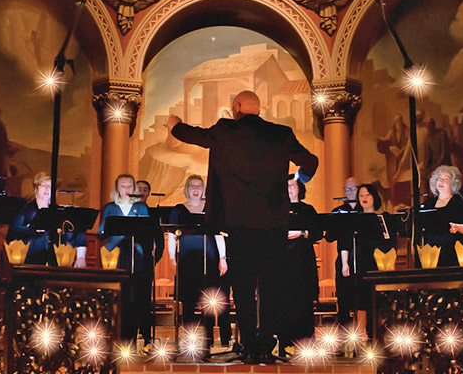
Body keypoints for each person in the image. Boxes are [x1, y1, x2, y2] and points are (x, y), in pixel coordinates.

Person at [167, 90, 318, 363]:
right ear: (257, 108)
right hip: (273, 226)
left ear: (236, 107)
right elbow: (310, 162)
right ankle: (267, 346)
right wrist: (298, 178)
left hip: (238, 225)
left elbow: (195, 135)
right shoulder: (281, 133)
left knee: (244, 289)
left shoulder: (226, 130)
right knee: (272, 287)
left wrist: (174, 125)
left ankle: (250, 346)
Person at [167, 175, 230, 352]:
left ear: (203, 190)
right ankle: (189, 339)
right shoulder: (178, 210)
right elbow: (172, 235)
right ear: (187, 189)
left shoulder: (210, 209)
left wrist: (222, 258)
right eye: (192, 186)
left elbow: (218, 235)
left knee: (208, 301)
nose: (196, 189)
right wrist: (172, 258)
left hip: (208, 261)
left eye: (199, 186)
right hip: (186, 261)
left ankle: (208, 340)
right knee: (188, 302)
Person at [99, 174, 160, 349]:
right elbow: (102, 232)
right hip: (117, 258)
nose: (127, 189)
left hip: (137, 258)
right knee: (121, 299)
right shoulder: (110, 208)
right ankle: (121, 339)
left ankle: (139, 339)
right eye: (123, 186)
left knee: (139, 300)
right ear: (117, 188)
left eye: (130, 186)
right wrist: (122, 233)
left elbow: (146, 232)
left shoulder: (141, 207)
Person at [337, 184, 390, 324]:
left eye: (367, 195)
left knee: (376, 299)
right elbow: (345, 242)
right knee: (359, 299)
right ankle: (360, 335)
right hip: (358, 262)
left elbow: (389, 242)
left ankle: (375, 333)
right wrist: (344, 263)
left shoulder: (382, 218)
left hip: (376, 261)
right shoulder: (353, 219)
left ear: (374, 196)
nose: (364, 198)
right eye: (361, 195)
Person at [277, 176, 319, 354]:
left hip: (303, 262)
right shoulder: (276, 210)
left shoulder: (308, 210)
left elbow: (318, 232)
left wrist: (301, 233)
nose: (289, 188)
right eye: (286, 185)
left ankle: (306, 343)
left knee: (304, 300)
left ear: (299, 188)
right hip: (282, 262)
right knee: (283, 301)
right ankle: (284, 342)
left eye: (292, 185)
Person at [8, 173, 87, 267]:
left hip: (56, 264)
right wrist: (33, 230)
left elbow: (77, 232)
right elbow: (13, 234)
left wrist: (80, 257)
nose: (47, 189)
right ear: (36, 188)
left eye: (50, 186)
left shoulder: (60, 213)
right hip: (29, 263)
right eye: (43, 185)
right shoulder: (25, 211)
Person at [419, 166, 463, 268]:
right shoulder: (428, 204)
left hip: (451, 251)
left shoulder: (459, 203)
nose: (441, 181)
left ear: (453, 183)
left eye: (446, 179)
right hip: (429, 252)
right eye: (439, 178)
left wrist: (457, 227)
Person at [325, 177, 358, 326]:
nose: (350, 192)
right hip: (343, 260)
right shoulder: (338, 211)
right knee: (344, 299)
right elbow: (329, 237)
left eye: (353, 188)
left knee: (362, 298)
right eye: (347, 189)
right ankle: (343, 339)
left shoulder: (363, 210)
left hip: (362, 257)